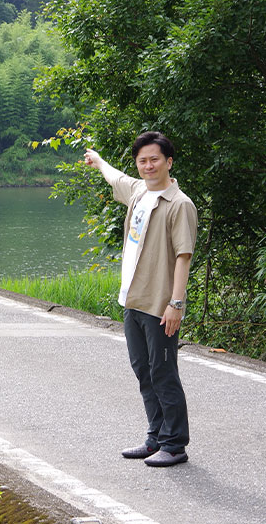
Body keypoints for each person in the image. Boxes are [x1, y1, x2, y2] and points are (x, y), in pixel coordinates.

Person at [84, 131, 198, 467]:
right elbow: (116, 178)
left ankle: (175, 444)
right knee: (143, 372)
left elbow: (183, 256)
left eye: (155, 159)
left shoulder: (179, 204)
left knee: (163, 373)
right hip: (132, 300)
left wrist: (176, 303)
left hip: (160, 305)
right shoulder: (138, 192)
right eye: (142, 161)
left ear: (169, 162)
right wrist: (99, 161)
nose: (148, 166)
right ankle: (155, 438)